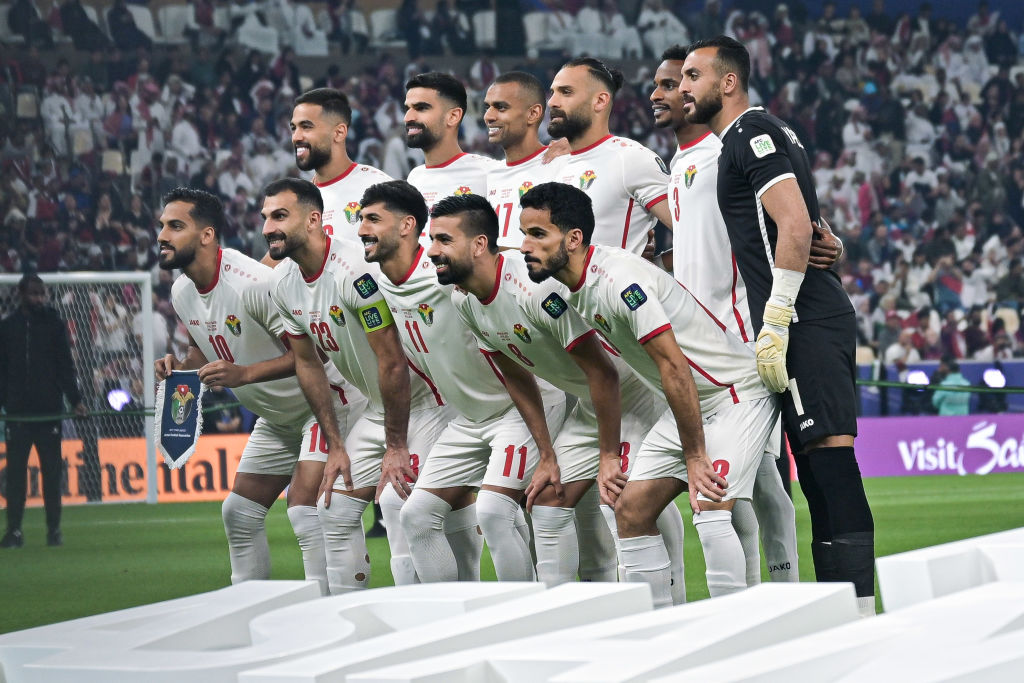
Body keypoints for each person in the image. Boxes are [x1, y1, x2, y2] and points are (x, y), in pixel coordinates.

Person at [681, 36, 876, 616]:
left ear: (729, 82)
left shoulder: (748, 134)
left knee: (831, 466)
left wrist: (776, 318)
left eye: (694, 75)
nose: (685, 85)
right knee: (816, 474)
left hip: (806, 320)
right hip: (806, 316)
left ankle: (862, 616)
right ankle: (842, 612)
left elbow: (792, 224)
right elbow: (806, 229)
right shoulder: (762, 135)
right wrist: (828, 245)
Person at [520, 182, 778, 605]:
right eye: (524, 233)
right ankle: (656, 628)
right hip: (692, 405)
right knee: (631, 511)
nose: (525, 246)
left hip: (734, 394)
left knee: (711, 508)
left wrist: (695, 457)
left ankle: (735, 630)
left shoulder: (620, 283)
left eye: (537, 234)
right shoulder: (574, 285)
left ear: (573, 239)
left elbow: (673, 366)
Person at [439, 193, 675, 592]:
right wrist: (546, 454)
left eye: (443, 240)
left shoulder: (536, 292)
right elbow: (516, 377)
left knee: (622, 502)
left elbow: (605, 374)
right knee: (548, 500)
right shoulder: (465, 300)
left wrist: (608, 455)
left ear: (479, 245)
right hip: (591, 402)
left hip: (632, 393)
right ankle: (556, 616)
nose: (432, 251)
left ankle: (665, 612)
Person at [155, 187, 364, 595]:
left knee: (305, 512)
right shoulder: (182, 292)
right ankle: (247, 610)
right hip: (277, 418)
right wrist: (179, 366)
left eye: (175, 226)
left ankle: (327, 615)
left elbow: (313, 356)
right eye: (162, 225)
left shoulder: (254, 284)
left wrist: (245, 374)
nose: (163, 234)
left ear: (206, 235)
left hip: (319, 407)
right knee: (239, 512)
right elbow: (204, 344)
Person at [651, 45, 805, 585]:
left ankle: (777, 590)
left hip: (738, 340)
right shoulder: (680, 162)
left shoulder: (727, 151)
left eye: (677, 82)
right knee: (751, 481)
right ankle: (767, 595)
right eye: (668, 83)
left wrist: (827, 241)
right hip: (696, 346)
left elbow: (793, 219)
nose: (665, 93)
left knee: (754, 481)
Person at [358, 180, 563, 584]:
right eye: (359, 219)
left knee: (494, 511)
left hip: (514, 410)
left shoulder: (446, 273)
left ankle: (520, 617)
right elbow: (392, 361)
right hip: (467, 418)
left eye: (372, 219)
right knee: (414, 514)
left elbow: (490, 261)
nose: (361, 228)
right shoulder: (375, 283)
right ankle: (449, 624)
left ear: (405, 227)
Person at [263, 177, 448, 592]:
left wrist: (396, 446)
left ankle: (430, 618)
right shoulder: (283, 284)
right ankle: (347, 617)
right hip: (377, 409)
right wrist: (336, 445)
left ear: (313, 220)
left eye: (279, 216)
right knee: (333, 508)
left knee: (400, 503)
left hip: (427, 402)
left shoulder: (357, 273)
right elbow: (308, 364)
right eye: (265, 218)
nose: (267, 229)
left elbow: (392, 361)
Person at [547, 57, 672, 257]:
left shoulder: (630, 159)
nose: (552, 101)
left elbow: (694, 235)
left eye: (566, 92)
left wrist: (656, 269)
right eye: (553, 92)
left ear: (600, 101)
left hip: (616, 288)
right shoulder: (553, 162)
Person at [0, 274, 87, 548]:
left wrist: (75, 401)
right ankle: (14, 531)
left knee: (51, 474)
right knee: (15, 476)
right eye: (34, 294)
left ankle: (54, 530)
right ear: (21, 294)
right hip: (17, 414)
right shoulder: (7, 327)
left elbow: (65, 366)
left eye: (42, 294)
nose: (39, 299)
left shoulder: (54, 324)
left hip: (48, 411)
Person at [404, 72, 497, 241]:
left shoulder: (488, 172)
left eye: (421, 108)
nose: (408, 117)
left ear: (453, 116)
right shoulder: (415, 177)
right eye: (407, 108)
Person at [483, 71, 567, 250]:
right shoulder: (488, 173)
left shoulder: (560, 165)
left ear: (533, 113)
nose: (488, 116)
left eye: (501, 107)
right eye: (487, 107)